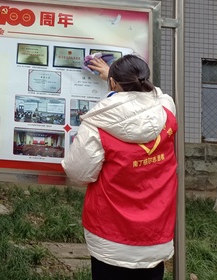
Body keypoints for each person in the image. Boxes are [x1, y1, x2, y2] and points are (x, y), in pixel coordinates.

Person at [62, 54, 178, 280]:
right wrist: (117, 79)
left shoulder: (97, 123)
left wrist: (114, 81)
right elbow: (158, 94)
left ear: (114, 83)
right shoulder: (166, 110)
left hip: (110, 236)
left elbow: (78, 172)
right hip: (156, 233)